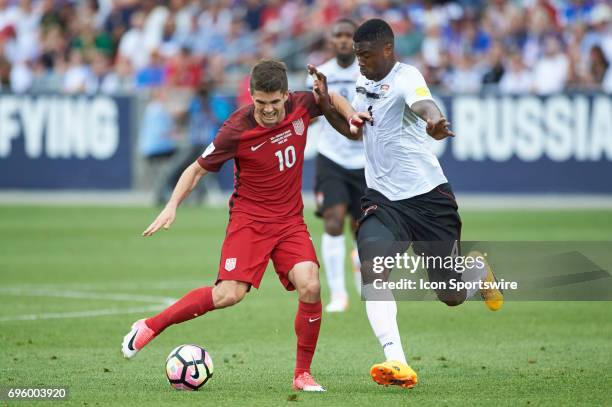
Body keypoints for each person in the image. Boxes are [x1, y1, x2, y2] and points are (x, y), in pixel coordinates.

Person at [122, 59, 355, 392]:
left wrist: (351, 114)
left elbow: (333, 100)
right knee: (229, 295)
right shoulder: (236, 128)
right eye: (261, 103)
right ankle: (150, 326)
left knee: (311, 285)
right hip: (250, 221)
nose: (269, 110)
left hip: (289, 221)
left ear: (286, 95)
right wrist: (172, 205)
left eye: (275, 103)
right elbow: (196, 170)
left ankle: (302, 374)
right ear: (251, 95)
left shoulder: (301, 104)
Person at [311, 18, 504, 390]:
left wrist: (434, 122)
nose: (360, 62)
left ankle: (477, 271)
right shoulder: (363, 81)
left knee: (450, 295)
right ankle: (395, 359)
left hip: (429, 199)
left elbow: (424, 104)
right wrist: (325, 104)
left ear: (387, 49)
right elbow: (354, 134)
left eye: (365, 55)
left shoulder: (406, 76)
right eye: (357, 55)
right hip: (383, 200)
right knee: (372, 266)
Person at [306, 18, 365, 313]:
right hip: (331, 157)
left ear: (355, 41)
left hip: (365, 161)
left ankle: (359, 266)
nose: (343, 40)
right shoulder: (321, 73)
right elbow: (310, 114)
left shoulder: (368, 72)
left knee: (361, 230)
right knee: (332, 221)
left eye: (348, 35)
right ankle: (338, 295)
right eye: (338, 35)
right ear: (331, 40)